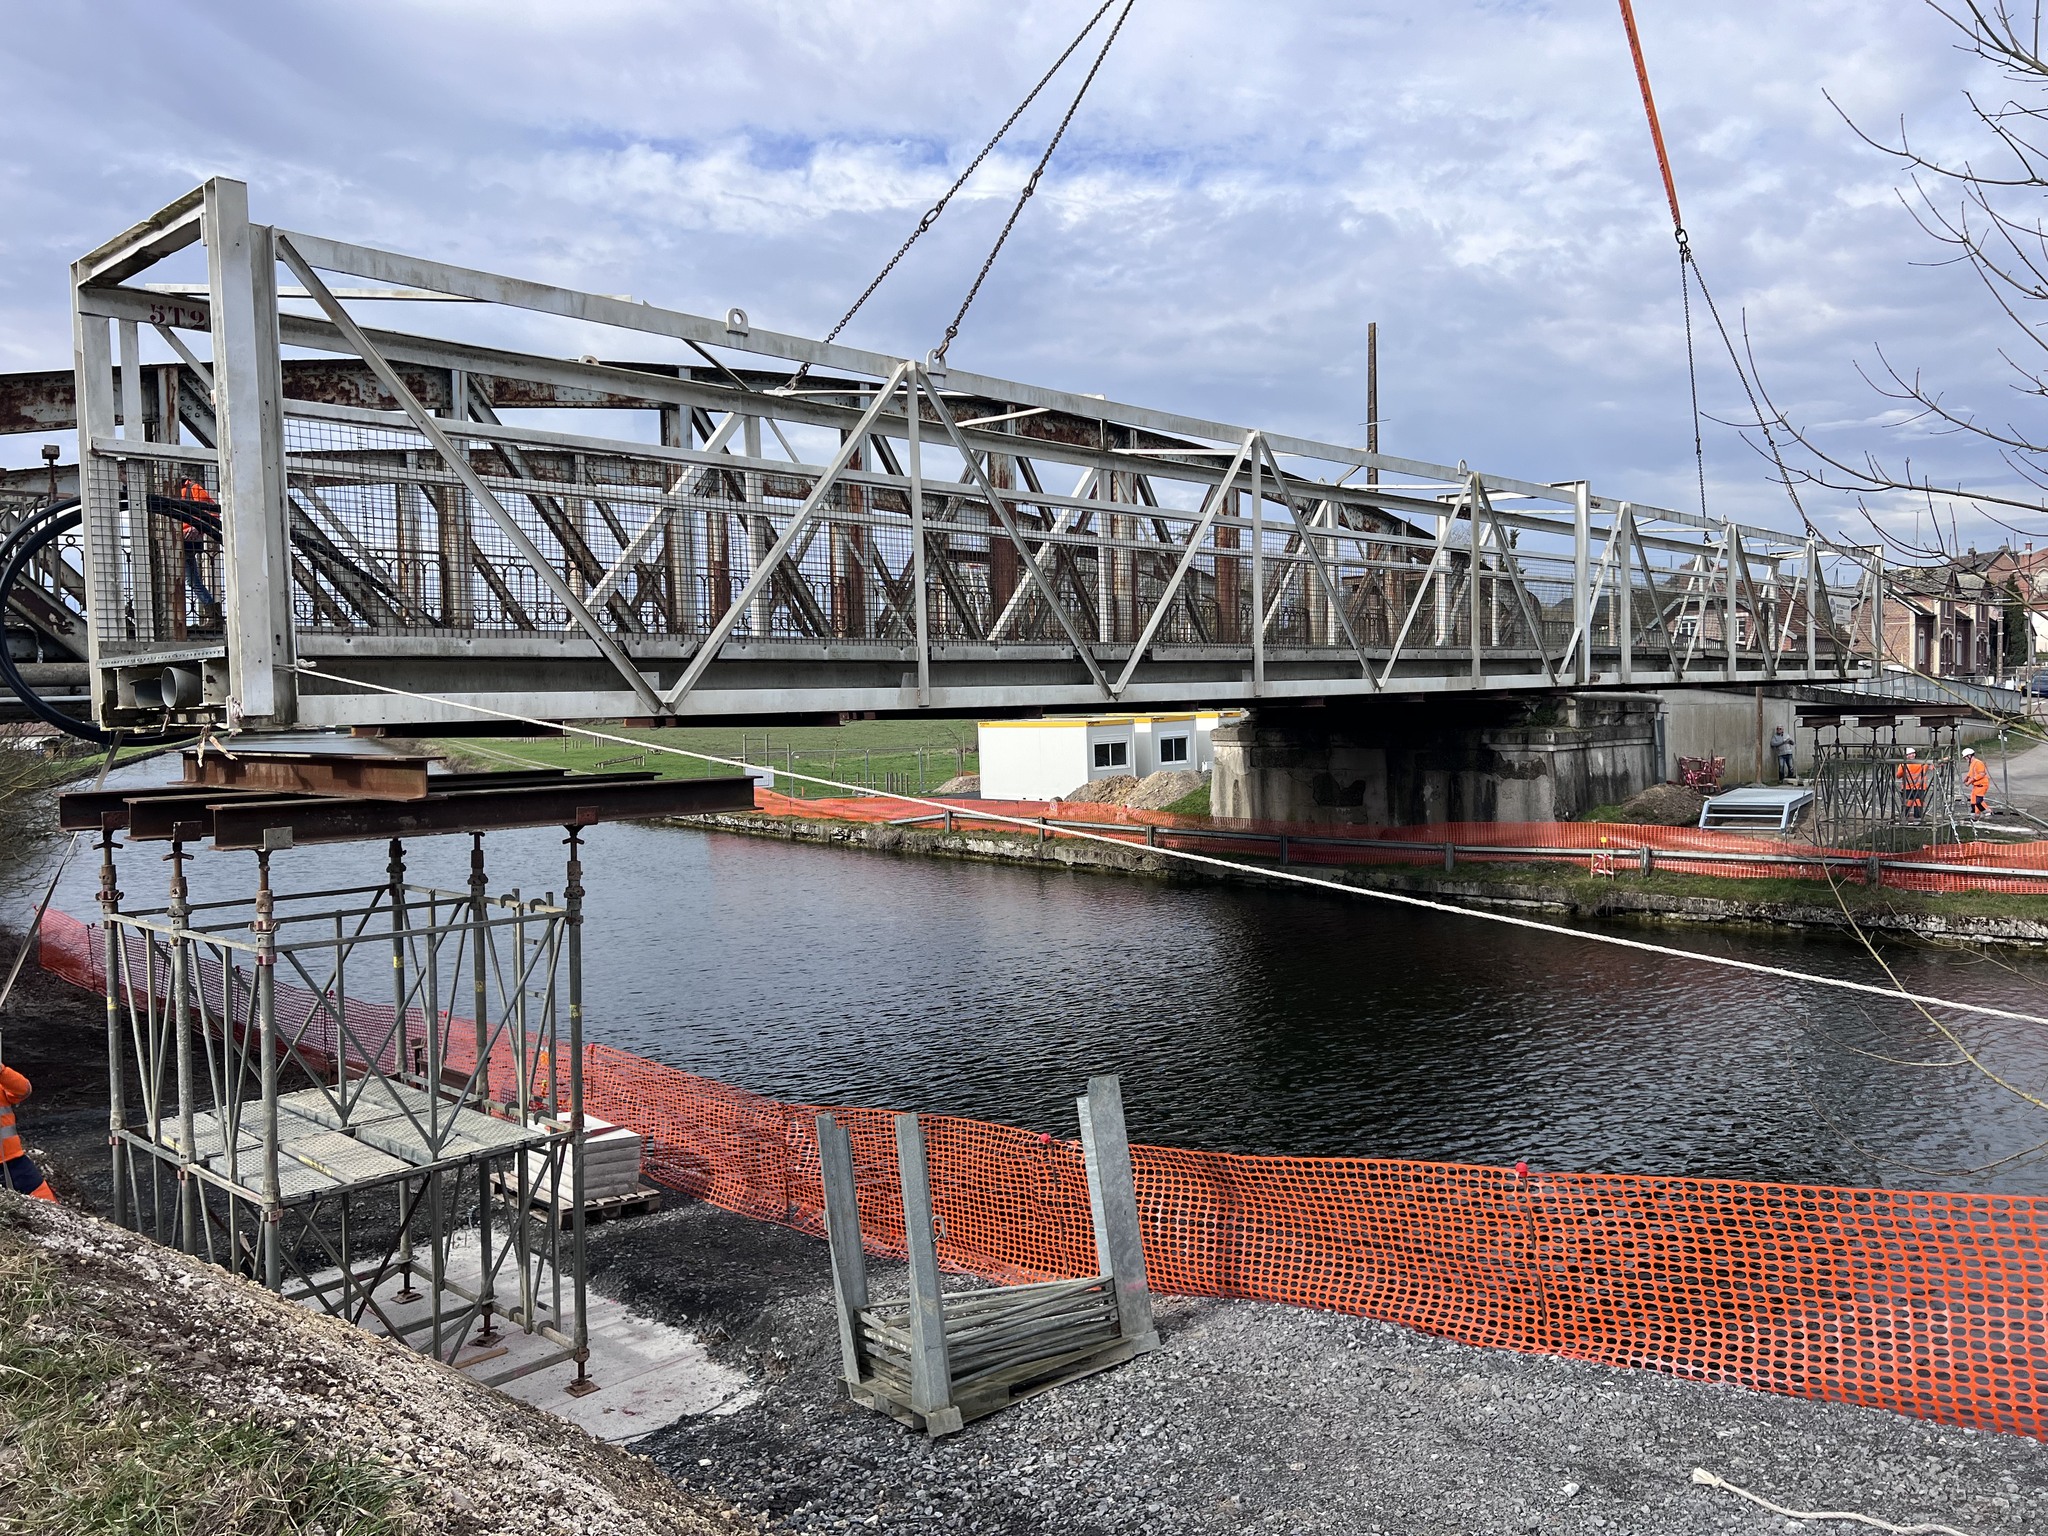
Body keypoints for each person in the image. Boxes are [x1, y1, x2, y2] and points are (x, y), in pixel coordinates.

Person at [0, 1065, 56, 1202]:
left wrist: (2, 1071)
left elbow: (23, 1090)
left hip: (15, 1161)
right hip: (13, 1161)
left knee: (52, 1208)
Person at [173, 477, 219, 623]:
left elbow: (212, 512)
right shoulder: (183, 489)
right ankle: (213, 613)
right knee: (191, 580)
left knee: (190, 580)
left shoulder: (192, 488)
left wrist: (197, 527)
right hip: (177, 541)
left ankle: (212, 613)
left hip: (184, 541)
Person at [1896, 747, 1931, 823]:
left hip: (1907, 788)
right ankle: (1917, 821)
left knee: (1907, 804)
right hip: (1919, 788)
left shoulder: (1903, 765)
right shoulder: (1921, 764)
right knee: (1918, 804)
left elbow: (1898, 775)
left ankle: (1904, 820)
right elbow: (1932, 766)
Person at [1964, 747, 1991, 820]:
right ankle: (1975, 814)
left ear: (1969, 756)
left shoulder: (1978, 763)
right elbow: (1970, 773)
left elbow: (1981, 774)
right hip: (1976, 785)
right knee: (1973, 801)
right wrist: (1966, 778)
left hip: (1982, 785)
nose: (1965, 759)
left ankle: (1987, 811)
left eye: (1965, 757)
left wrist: (1970, 781)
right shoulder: (1972, 763)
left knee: (1978, 801)